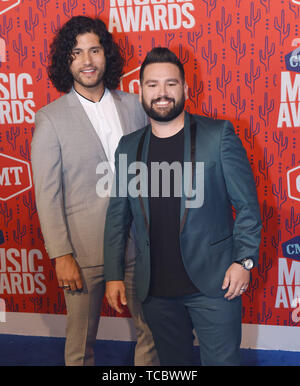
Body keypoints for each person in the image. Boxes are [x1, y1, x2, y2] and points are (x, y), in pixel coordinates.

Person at [104, 47, 262, 366]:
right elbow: (117, 217)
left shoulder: (218, 136)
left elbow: (247, 206)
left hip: (215, 285)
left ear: (186, 89)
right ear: (141, 92)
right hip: (156, 289)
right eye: (152, 85)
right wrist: (113, 274)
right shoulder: (128, 146)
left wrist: (244, 261)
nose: (161, 93)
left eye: (170, 84)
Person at [31, 16, 158, 366]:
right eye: (76, 53)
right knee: (81, 344)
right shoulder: (50, 119)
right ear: (66, 61)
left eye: (94, 50)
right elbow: (47, 194)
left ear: (107, 55)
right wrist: (61, 255)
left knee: (153, 331)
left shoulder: (134, 105)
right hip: (84, 252)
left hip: (136, 242)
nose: (87, 60)